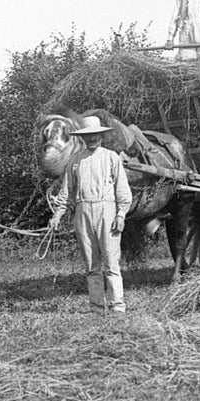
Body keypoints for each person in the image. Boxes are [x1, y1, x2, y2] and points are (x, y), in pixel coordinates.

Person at [48, 115, 133, 311]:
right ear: (83, 138)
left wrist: (121, 215)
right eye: (89, 136)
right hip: (83, 210)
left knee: (111, 262)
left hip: (107, 210)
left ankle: (117, 305)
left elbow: (122, 190)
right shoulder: (76, 160)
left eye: (96, 135)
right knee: (91, 264)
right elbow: (66, 192)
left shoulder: (111, 157)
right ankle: (96, 306)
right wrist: (57, 215)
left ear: (101, 136)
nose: (93, 139)